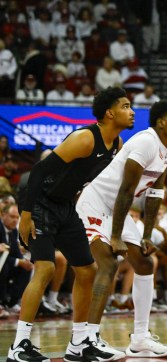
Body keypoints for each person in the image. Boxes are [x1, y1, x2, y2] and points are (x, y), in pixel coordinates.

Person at [7, 87, 132, 362]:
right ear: (110, 113)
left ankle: (78, 344)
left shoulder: (117, 144)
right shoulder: (84, 138)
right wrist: (25, 216)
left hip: (65, 206)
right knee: (46, 268)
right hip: (38, 201)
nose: (131, 111)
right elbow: (38, 171)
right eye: (125, 106)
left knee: (87, 271)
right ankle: (19, 346)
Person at [75, 99, 167, 359]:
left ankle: (139, 339)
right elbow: (126, 190)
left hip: (118, 211)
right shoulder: (145, 142)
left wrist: (147, 234)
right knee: (108, 264)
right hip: (95, 204)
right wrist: (115, 236)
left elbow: (155, 193)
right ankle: (88, 339)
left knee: (146, 265)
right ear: (161, 122)